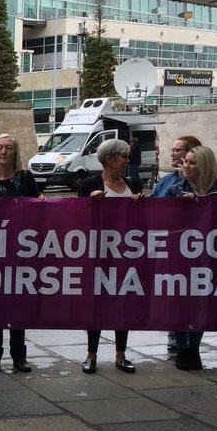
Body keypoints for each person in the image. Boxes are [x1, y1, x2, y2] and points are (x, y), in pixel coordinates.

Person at [167, 145, 217, 370]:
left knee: (202, 301)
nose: (186, 166)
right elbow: (162, 220)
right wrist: (180, 208)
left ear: (204, 166)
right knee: (180, 301)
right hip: (180, 255)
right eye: (185, 161)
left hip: (209, 256)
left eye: (192, 162)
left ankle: (194, 347)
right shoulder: (175, 190)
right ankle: (182, 346)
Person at [78, 139, 142, 375]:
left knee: (122, 304)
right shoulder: (89, 184)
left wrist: (139, 205)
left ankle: (121, 355)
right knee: (96, 305)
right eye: (123, 157)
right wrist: (89, 204)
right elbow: (76, 219)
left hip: (126, 254)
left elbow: (141, 221)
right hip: (98, 254)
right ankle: (91, 354)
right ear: (110, 159)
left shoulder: (132, 183)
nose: (127, 161)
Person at [0, 134, 38, 374]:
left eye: (8, 148)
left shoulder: (25, 178)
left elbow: (36, 209)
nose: (3, 152)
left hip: (21, 250)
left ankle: (19, 356)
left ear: (15, 152)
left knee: (18, 307)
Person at [150, 135, 204, 352]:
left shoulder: (204, 182)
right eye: (172, 150)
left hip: (197, 250)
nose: (172, 154)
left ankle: (191, 344)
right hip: (171, 249)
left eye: (177, 150)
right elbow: (152, 207)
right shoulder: (166, 182)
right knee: (175, 296)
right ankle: (178, 341)